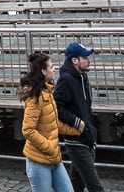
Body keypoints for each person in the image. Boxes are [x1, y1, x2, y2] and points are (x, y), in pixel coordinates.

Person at [19, 50, 80, 192]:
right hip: (38, 162)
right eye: (51, 66)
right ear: (43, 71)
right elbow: (28, 130)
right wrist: (49, 147)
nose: (54, 69)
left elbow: (52, 123)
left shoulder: (48, 93)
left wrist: (76, 130)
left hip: (54, 159)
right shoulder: (35, 97)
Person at [53, 42, 106, 192]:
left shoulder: (82, 78)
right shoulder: (66, 80)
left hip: (86, 137)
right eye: (85, 57)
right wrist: (78, 123)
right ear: (75, 60)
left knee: (75, 184)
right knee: (94, 186)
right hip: (76, 140)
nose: (88, 60)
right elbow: (56, 107)